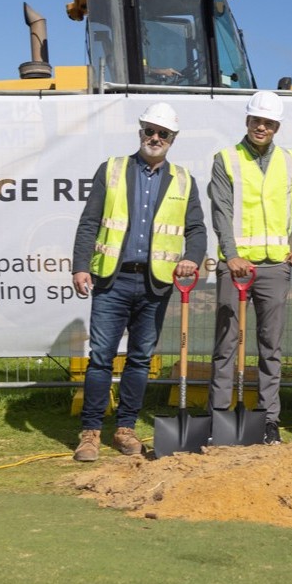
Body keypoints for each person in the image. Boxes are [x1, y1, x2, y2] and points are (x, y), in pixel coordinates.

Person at [71, 102, 207, 462]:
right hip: (111, 281)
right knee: (100, 358)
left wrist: (192, 257)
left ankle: (125, 429)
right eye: (150, 131)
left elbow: (196, 228)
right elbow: (89, 221)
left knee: (141, 358)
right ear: (140, 132)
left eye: (163, 134)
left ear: (172, 139)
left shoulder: (183, 179)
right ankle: (90, 433)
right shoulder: (113, 169)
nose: (156, 138)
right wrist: (80, 266)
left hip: (154, 284)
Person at [207, 90, 292, 445]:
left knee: (271, 345)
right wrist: (231, 254)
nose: (262, 127)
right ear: (247, 121)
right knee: (227, 343)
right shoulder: (226, 159)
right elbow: (221, 211)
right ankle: (219, 418)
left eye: (269, 122)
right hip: (235, 268)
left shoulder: (290, 161)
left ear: (277, 126)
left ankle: (269, 420)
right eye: (257, 120)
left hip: (274, 268)